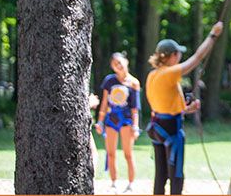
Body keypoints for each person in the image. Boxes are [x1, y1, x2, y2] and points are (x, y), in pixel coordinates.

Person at [146, 21, 224, 195]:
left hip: (156, 127)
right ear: (172, 55)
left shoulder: (153, 75)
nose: (180, 56)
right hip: (171, 130)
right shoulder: (169, 73)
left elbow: (162, 104)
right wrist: (213, 35)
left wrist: (187, 108)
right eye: (178, 53)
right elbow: (196, 58)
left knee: (161, 175)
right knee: (176, 175)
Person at [95, 52, 141, 193]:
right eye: (115, 64)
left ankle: (131, 184)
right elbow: (104, 102)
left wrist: (136, 126)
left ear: (126, 62)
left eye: (120, 63)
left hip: (126, 121)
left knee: (128, 153)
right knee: (111, 153)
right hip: (111, 120)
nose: (118, 66)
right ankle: (113, 183)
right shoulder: (109, 81)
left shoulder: (134, 83)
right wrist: (100, 122)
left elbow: (135, 108)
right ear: (112, 67)